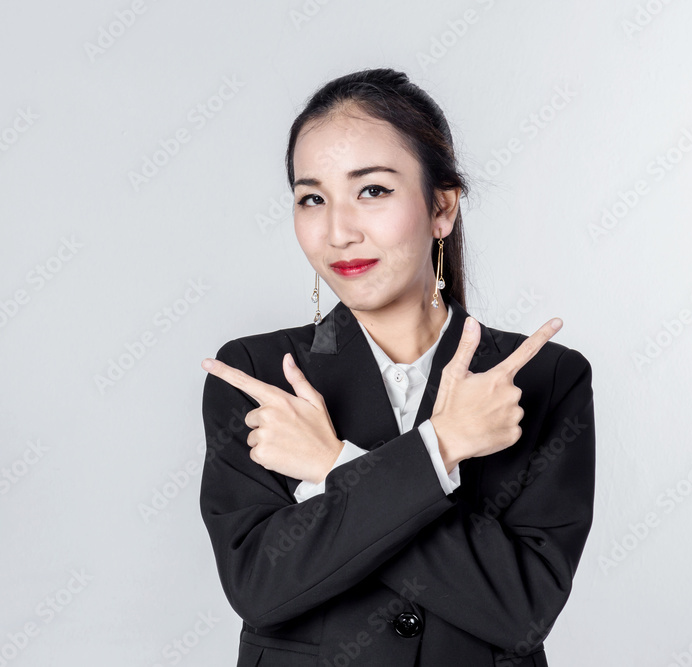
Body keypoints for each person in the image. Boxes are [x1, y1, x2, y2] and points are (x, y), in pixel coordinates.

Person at [199, 67, 595, 667]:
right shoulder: (258, 375)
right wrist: (442, 447)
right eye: (312, 198)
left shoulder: (540, 378)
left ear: (441, 208)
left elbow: (521, 612)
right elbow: (261, 587)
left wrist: (333, 466)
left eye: (373, 190)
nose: (337, 231)